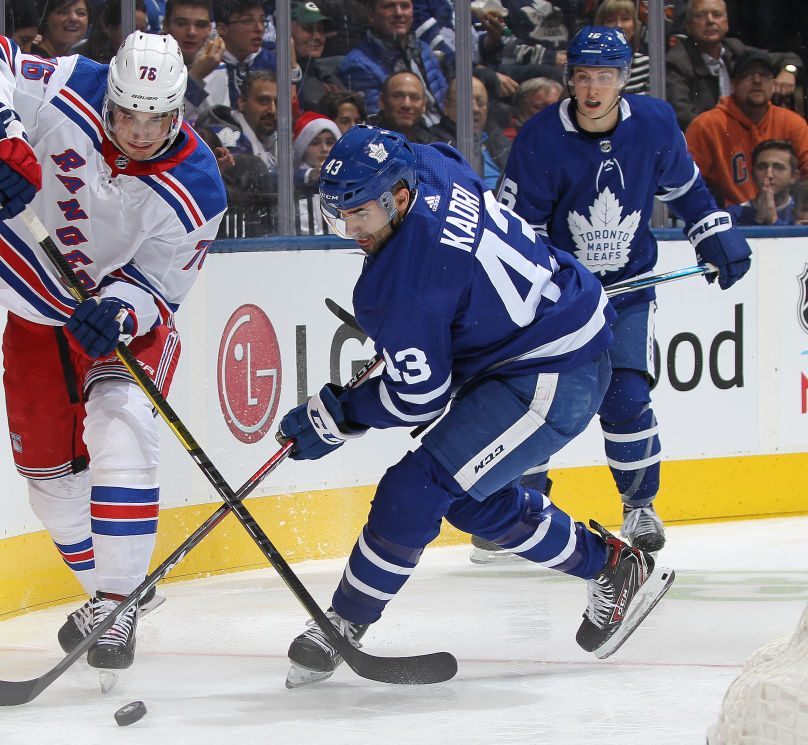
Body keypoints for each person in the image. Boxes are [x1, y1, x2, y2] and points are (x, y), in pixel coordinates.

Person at [276, 123, 674, 688]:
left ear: (399, 197)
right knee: (463, 502)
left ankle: (345, 621)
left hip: (551, 372)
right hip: (551, 330)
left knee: (414, 488)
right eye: (341, 213)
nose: (350, 228)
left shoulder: (401, 288)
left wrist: (341, 414)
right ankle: (611, 566)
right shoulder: (431, 164)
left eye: (361, 213)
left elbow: (420, 398)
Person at [0, 31, 227, 671]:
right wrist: (1, 139)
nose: (140, 132)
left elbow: (164, 280)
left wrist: (125, 307)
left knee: (119, 425)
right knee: (47, 481)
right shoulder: (69, 82)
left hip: (122, 321)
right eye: (126, 115)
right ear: (109, 99)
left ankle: (117, 607)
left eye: (158, 119)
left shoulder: (198, 187)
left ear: (179, 110)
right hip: (35, 307)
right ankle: (107, 596)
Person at [493, 26, 752, 562]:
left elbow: (684, 189)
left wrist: (712, 231)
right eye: (583, 77)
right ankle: (524, 510)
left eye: (605, 77)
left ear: (621, 80)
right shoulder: (541, 137)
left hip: (628, 290)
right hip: (558, 300)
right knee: (541, 404)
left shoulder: (654, 123)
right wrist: (554, 289)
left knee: (628, 397)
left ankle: (639, 507)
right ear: (570, 80)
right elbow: (520, 232)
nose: (592, 89)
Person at [685, 50, 808, 208]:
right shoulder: (707, 124)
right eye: (748, 75)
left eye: (764, 75)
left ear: (773, 84)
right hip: (728, 221)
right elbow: (688, 183)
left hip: (784, 219)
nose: (757, 81)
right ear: (733, 84)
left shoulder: (792, 123)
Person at [664, 0, 801, 130]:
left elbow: (786, 58)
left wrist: (789, 70)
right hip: (705, 141)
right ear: (688, 25)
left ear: (726, 23)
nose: (710, 21)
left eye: (716, 15)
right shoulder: (677, 60)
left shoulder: (733, 48)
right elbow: (683, 116)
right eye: (701, 15)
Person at [337, 0, 448, 129]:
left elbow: (446, 106)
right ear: (371, 14)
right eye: (389, 6)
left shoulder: (423, 49)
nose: (399, 13)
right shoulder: (357, 66)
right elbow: (378, 126)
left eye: (405, 6)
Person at [725, 139, 800, 226]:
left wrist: (774, 222)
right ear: (752, 175)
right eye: (761, 167)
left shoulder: (803, 211)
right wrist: (758, 221)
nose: (769, 175)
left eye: (778, 167)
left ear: (794, 176)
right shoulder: (732, 215)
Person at [364, 70, 440, 143]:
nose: (407, 105)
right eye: (398, 96)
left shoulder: (434, 146)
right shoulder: (364, 139)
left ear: (424, 105)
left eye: (414, 97)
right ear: (382, 101)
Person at [594, 0, 648, 95]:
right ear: (600, 26)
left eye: (625, 19)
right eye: (611, 20)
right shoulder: (589, 64)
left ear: (634, 26)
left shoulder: (646, 64)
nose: (619, 25)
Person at [502, 76, 562, 141]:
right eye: (540, 107)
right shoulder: (505, 140)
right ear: (520, 111)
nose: (551, 112)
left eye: (556, 106)